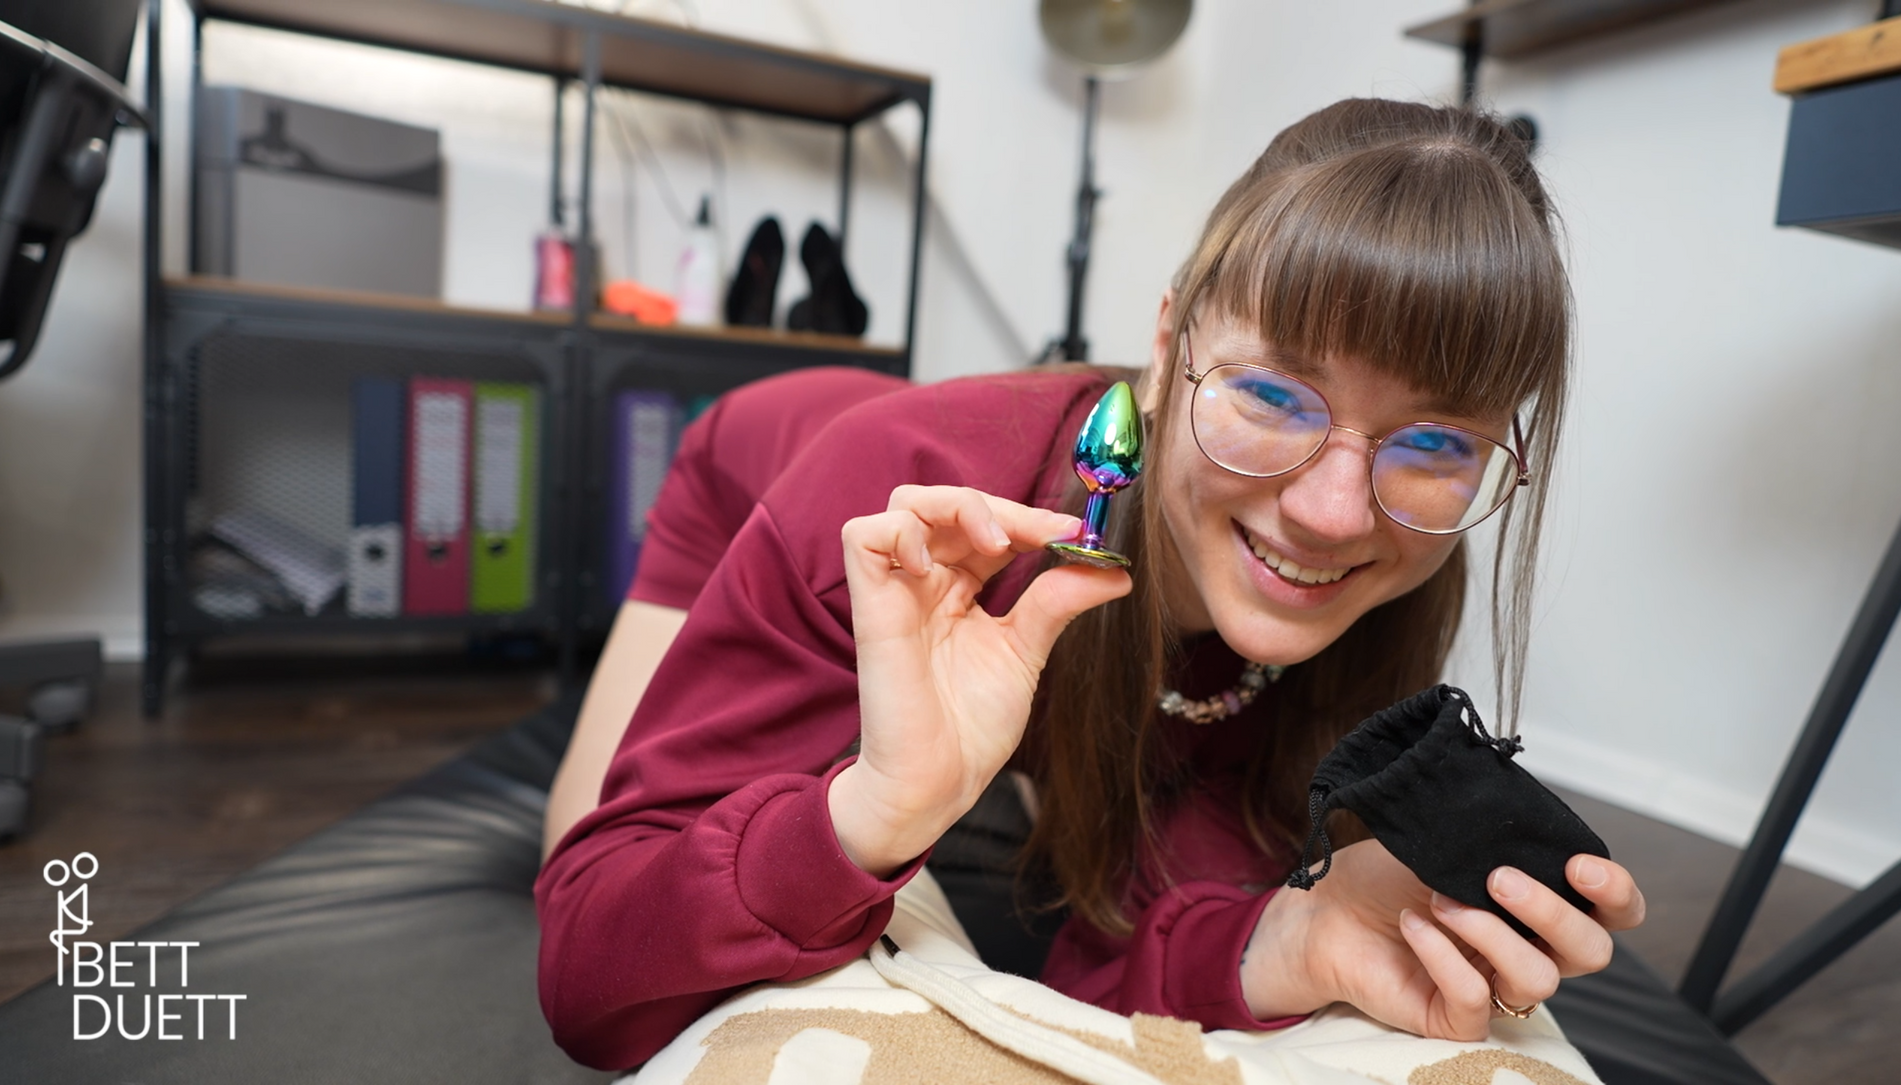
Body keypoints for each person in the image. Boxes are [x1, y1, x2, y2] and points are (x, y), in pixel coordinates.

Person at [536, 98, 1646, 1073]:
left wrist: (1291, 938)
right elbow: (590, 969)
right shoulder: (895, 496)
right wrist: (871, 812)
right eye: (1271, 393)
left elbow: (1140, 939)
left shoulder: (1396, 565)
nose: (1334, 512)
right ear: (1166, 347)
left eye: (1437, 443)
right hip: (776, 461)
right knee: (576, 847)